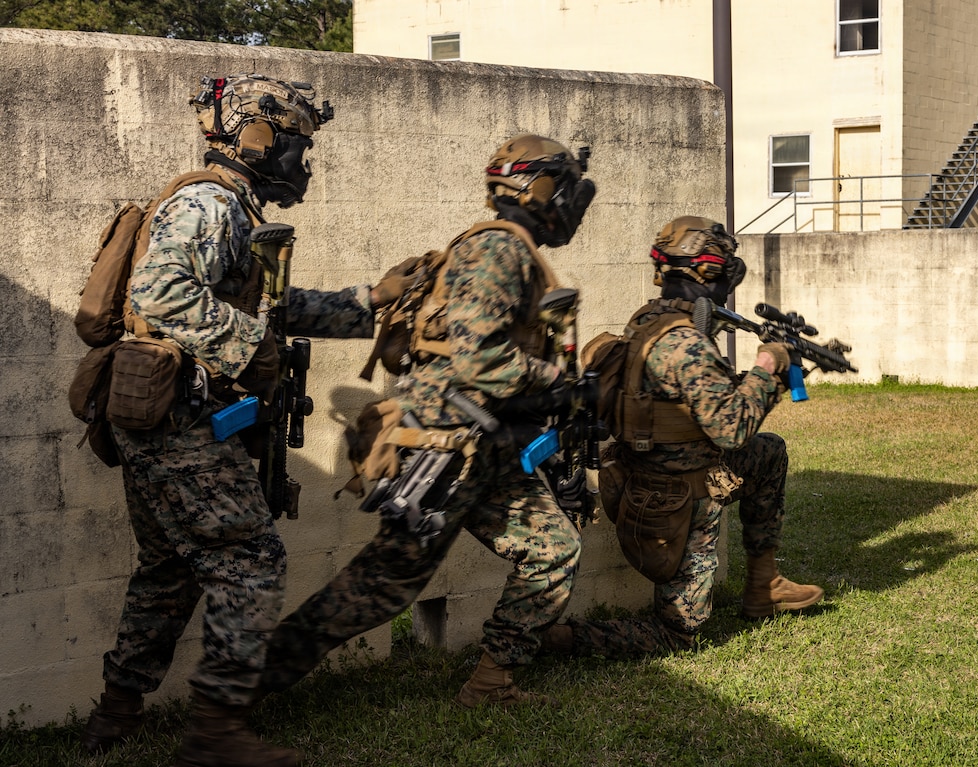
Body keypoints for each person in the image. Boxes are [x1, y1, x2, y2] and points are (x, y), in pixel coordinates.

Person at [80, 73, 411, 767]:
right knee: (249, 560)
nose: (304, 161)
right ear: (259, 139)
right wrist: (251, 346)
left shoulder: (227, 207)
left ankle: (114, 715)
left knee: (170, 570)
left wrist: (370, 303)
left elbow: (272, 308)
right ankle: (216, 733)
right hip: (180, 422)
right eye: (298, 143)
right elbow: (162, 295)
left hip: (159, 416)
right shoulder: (211, 205)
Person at [258, 133, 596, 707]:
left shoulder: (506, 249)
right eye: (565, 189)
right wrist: (557, 381)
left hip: (487, 444)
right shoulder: (498, 251)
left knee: (552, 548)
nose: (572, 204)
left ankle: (492, 681)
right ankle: (242, 689)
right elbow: (479, 358)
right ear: (538, 188)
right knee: (381, 586)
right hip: (448, 447)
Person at [542, 216, 824, 660]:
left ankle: (763, 584)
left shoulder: (650, 320)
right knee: (677, 633)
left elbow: (688, 393)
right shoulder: (688, 344)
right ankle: (561, 640)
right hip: (678, 499)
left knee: (769, 453)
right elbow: (731, 428)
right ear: (712, 273)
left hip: (641, 479)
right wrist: (768, 366)